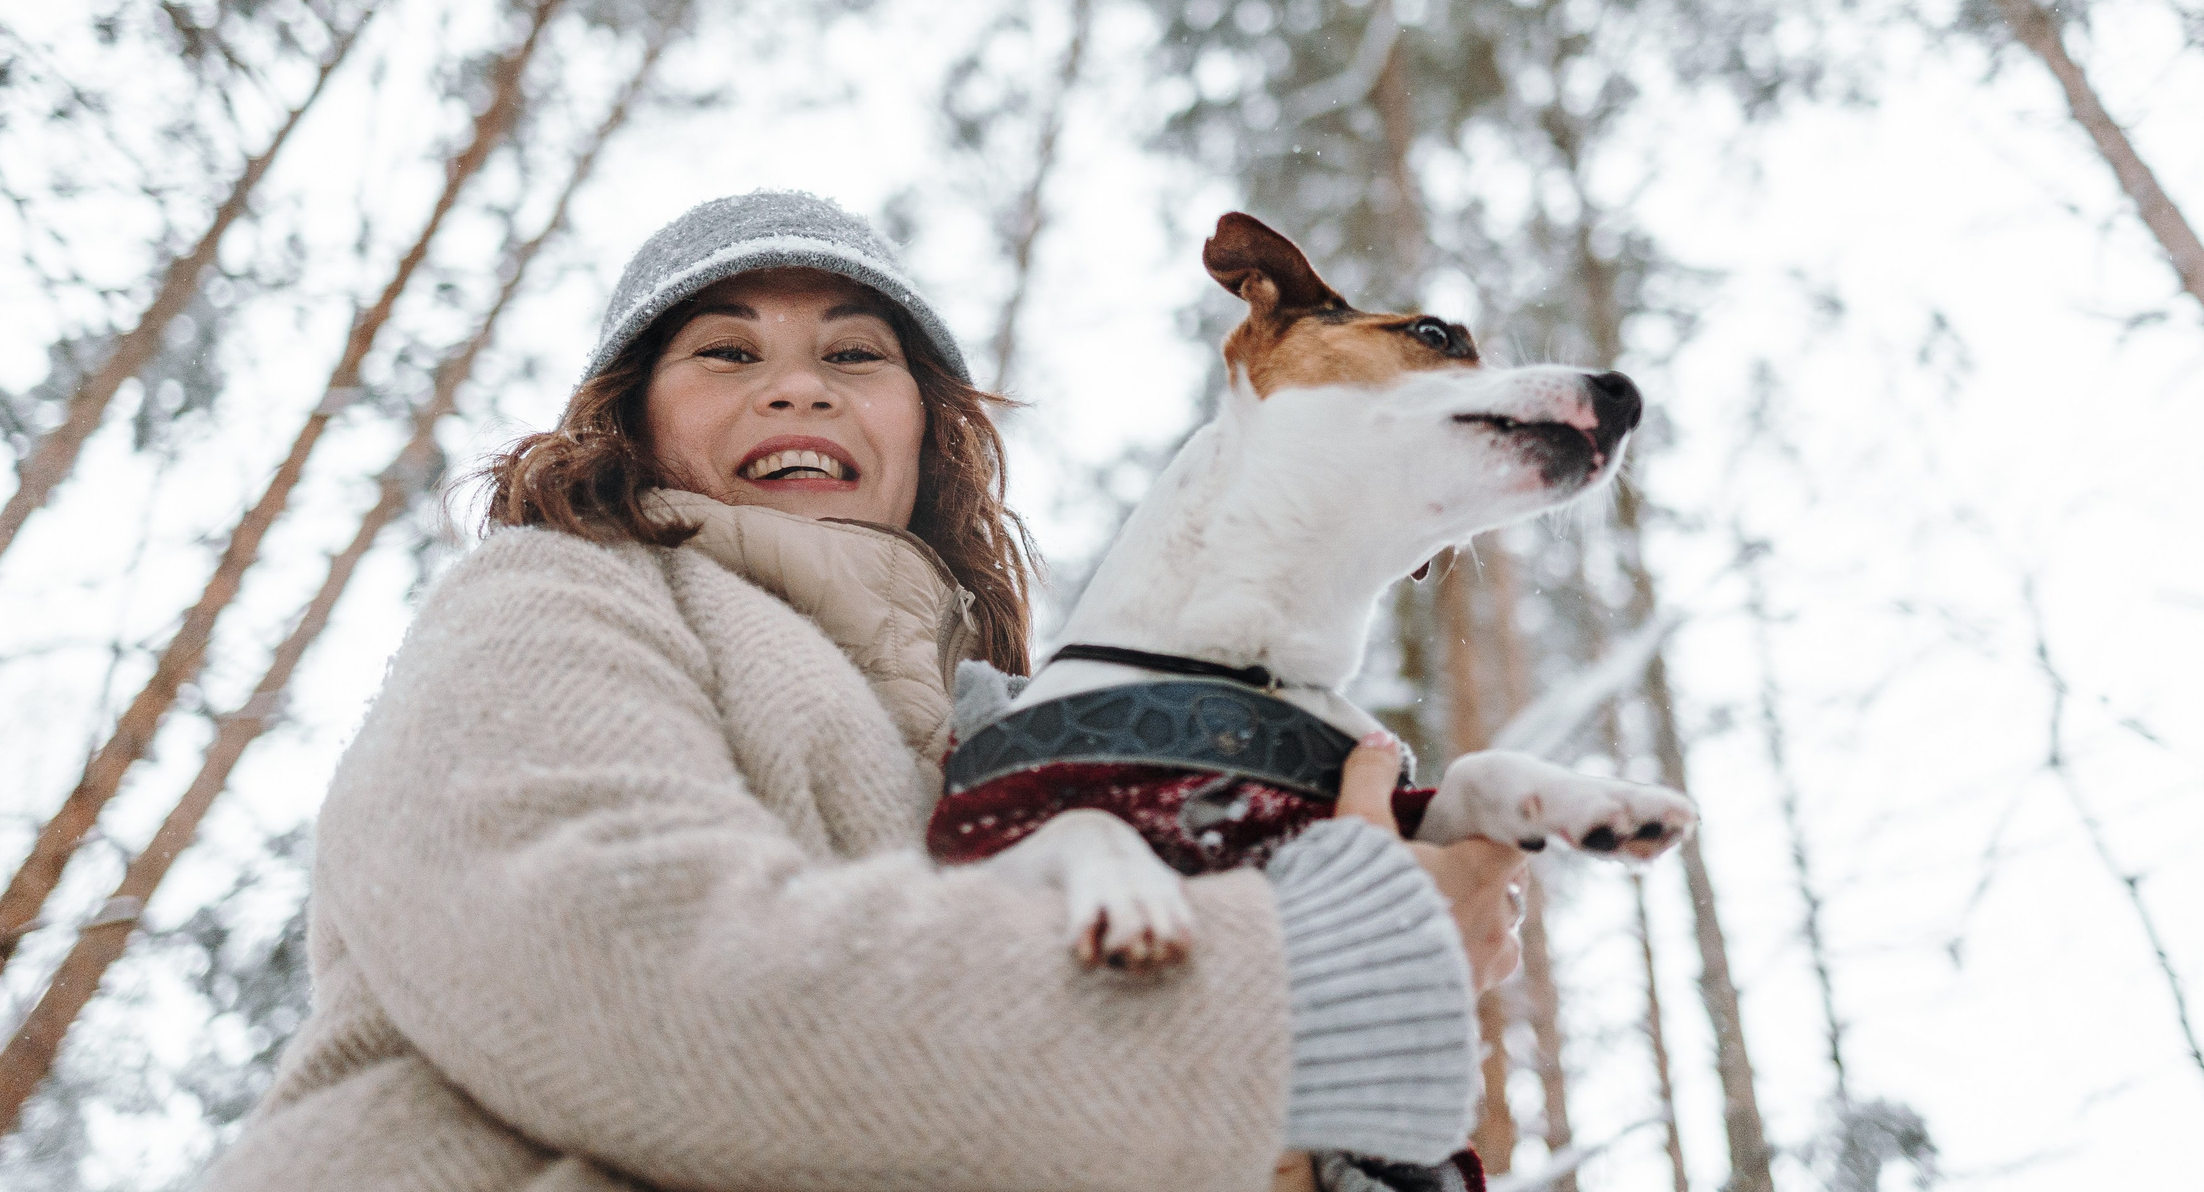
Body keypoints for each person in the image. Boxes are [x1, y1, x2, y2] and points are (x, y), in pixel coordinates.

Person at [204, 190, 1528, 1192]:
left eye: (852, 357)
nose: (796, 382)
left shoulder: (991, 753)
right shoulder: (564, 594)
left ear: (923, 429)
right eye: (725, 352)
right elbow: (616, 975)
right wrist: (1324, 981)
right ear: (635, 421)